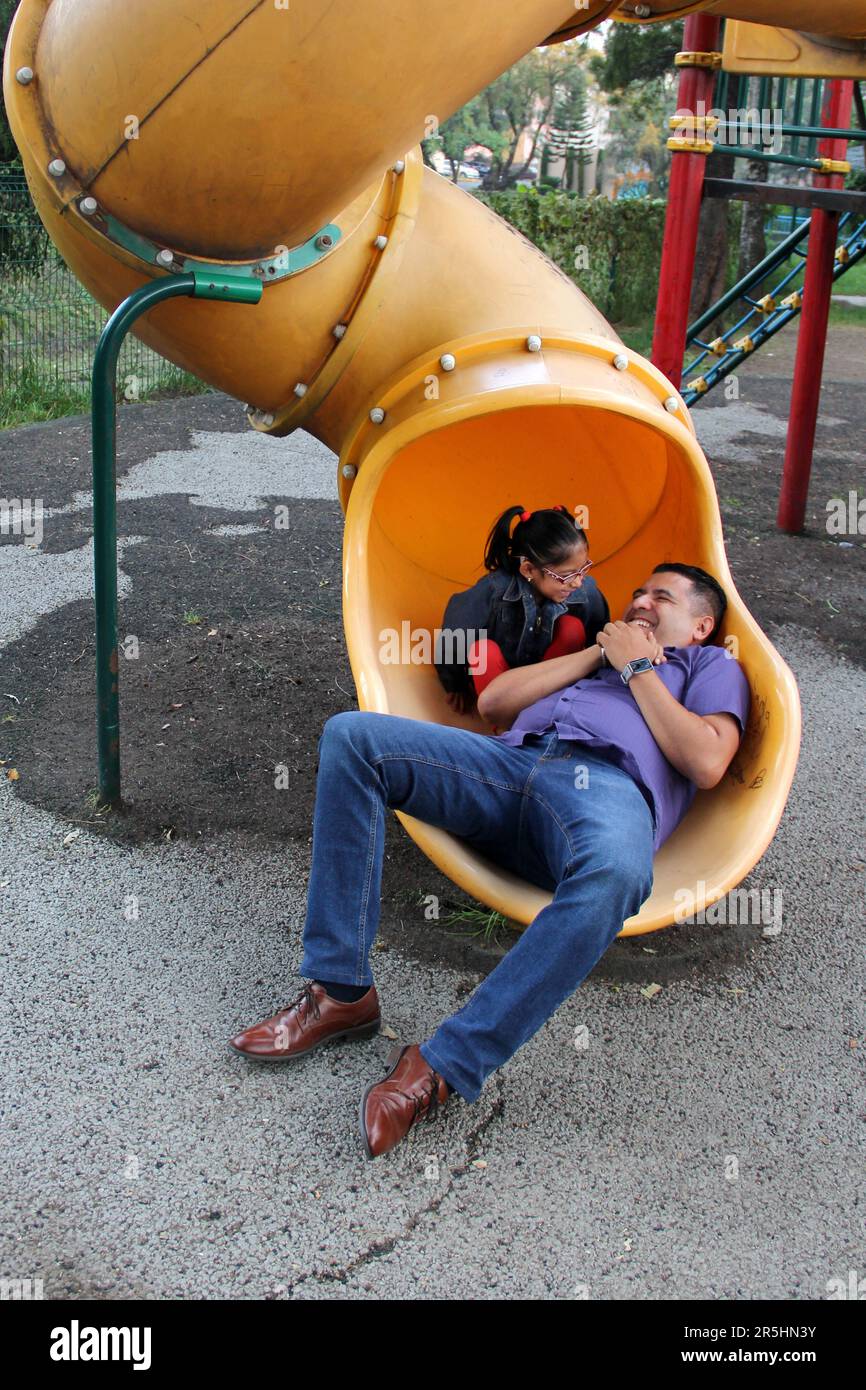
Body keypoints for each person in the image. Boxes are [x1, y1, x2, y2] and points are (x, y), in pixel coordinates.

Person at [229, 563, 751, 1161]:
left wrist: (637, 668)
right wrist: (596, 657)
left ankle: (445, 1065)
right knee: (353, 738)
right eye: (638, 592)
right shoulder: (592, 652)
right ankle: (341, 992)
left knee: (619, 875)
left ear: (703, 624)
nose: (641, 602)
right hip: (506, 766)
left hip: (603, 793)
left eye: (662, 597)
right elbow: (497, 704)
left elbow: (708, 761)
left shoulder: (710, 667)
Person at [434, 504, 610, 716]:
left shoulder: (584, 592)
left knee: (571, 628)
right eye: (566, 575)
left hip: (548, 679)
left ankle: (553, 710)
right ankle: (504, 722)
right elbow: (455, 635)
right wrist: (454, 684)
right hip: (501, 685)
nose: (578, 582)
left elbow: (599, 636)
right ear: (528, 569)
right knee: (483, 651)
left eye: (583, 569)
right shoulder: (494, 591)